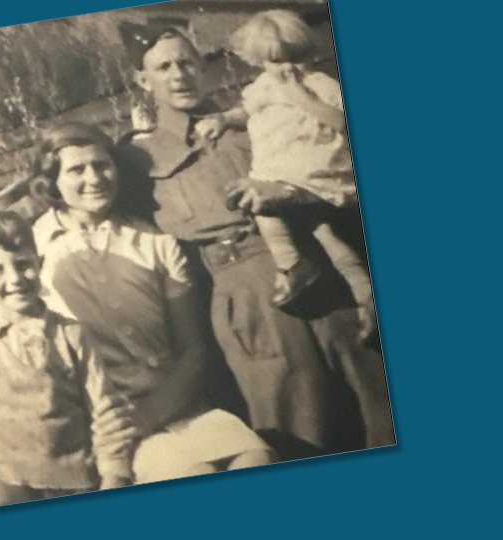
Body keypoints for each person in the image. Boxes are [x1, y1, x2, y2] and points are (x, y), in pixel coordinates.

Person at [115, 19, 395, 459]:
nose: (178, 75)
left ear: (203, 67)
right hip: (246, 304)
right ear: (141, 79)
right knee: (298, 432)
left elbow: (344, 173)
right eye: (164, 66)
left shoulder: (260, 113)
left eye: (187, 62)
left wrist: (287, 193)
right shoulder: (134, 157)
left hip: (322, 268)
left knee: (381, 409)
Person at [31, 122, 275, 482]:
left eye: (102, 164)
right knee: (194, 474)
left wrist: (153, 412)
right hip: (111, 420)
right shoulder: (33, 250)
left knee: (259, 460)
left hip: (181, 404)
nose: (94, 178)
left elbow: (193, 350)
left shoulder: (153, 241)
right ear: (52, 181)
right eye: (77, 170)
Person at [194, 10, 375, 344]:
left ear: (305, 54)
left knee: (264, 205)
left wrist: (303, 99)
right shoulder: (263, 86)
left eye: (293, 58)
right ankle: (367, 300)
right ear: (260, 61)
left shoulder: (320, 84)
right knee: (330, 240)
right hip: (280, 166)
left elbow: (342, 123)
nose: (286, 68)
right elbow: (244, 111)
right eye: (274, 62)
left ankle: (291, 265)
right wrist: (222, 119)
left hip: (313, 166)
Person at [0, 208, 133, 508]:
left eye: (23, 264)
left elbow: (104, 411)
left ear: (39, 263)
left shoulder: (72, 334)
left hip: (74, 478)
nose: (15, 279)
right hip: (4, 482)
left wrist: (113, 475)